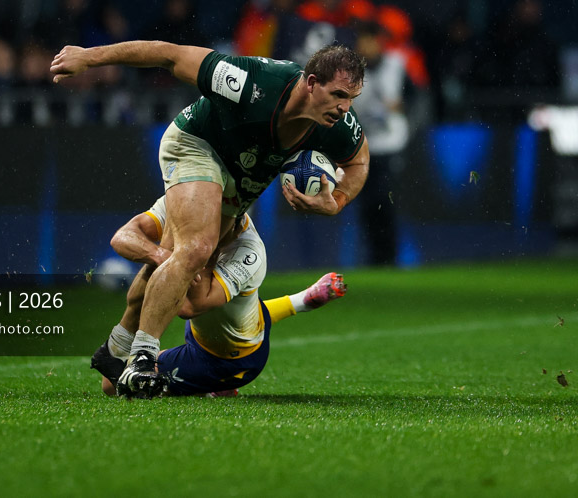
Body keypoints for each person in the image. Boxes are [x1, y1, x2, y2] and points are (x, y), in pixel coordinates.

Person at [50, 40, 370, 398]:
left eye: (352, 99)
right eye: (339, 94)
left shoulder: (339, 125)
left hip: (235, 179)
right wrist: (88, 57)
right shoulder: (252, 82)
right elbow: (169, 54)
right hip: (196, 144)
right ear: (311, 83)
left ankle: (115, 349)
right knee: (197, 247)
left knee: (179, 255)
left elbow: (358, 162)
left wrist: (337, 202)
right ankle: (143, 359)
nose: (344, 108)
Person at [92, 195, 346, 397]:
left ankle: (213, 386)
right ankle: (302, 300)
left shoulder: (250, 252)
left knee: (111, 386)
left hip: (229, 359)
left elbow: (189, 307)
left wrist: (195, 254)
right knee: (235, 308)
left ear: (236, 220)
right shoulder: (185, 201)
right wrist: (164, 257)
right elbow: (121, 238)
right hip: (224, 326)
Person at [352, 21, 409, 265]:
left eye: (369, 40)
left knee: (384, 200)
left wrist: (405, 109)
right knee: (366, 205)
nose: (365, 46)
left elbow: (418, 98)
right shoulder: (351, 72)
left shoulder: (396, 65)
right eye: (361, 41)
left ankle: (389, 256)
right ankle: (375, 257)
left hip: (391, 142)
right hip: (364, 145)